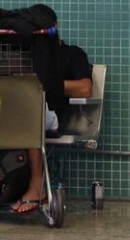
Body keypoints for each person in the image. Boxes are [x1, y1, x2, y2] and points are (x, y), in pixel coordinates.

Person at [12, 17, 92, 215]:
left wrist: (46, 84)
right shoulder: (25, 55)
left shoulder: (72, 54)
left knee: (29, 109)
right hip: (15, 111)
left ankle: (37, 186)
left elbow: (85, 88)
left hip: (51, 112)